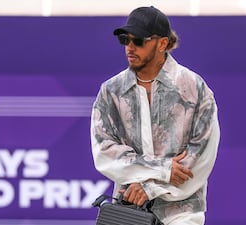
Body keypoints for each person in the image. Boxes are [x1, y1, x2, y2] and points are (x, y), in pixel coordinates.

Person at [91, 6, 220, 225]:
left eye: (138, 40)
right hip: (128, 211)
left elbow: (201, 157)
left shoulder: (194, 88)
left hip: (182, 213)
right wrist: (164, 169)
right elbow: (104, 153)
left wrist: (149, 187)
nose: (130, 47)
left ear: (162, 43)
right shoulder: (111, 91)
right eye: (125, 40)